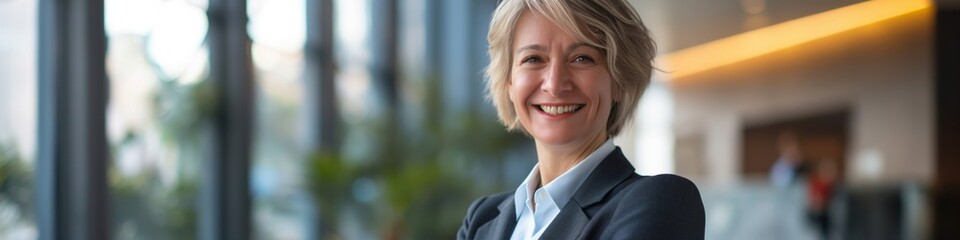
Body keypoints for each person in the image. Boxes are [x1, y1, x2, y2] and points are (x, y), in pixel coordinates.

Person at [457, 0, 705, 239]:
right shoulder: (482, 219)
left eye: (582, 58)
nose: (554, 85)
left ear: (618, 81)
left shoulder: (659, 201)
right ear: (510, 82)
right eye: (533, 59)